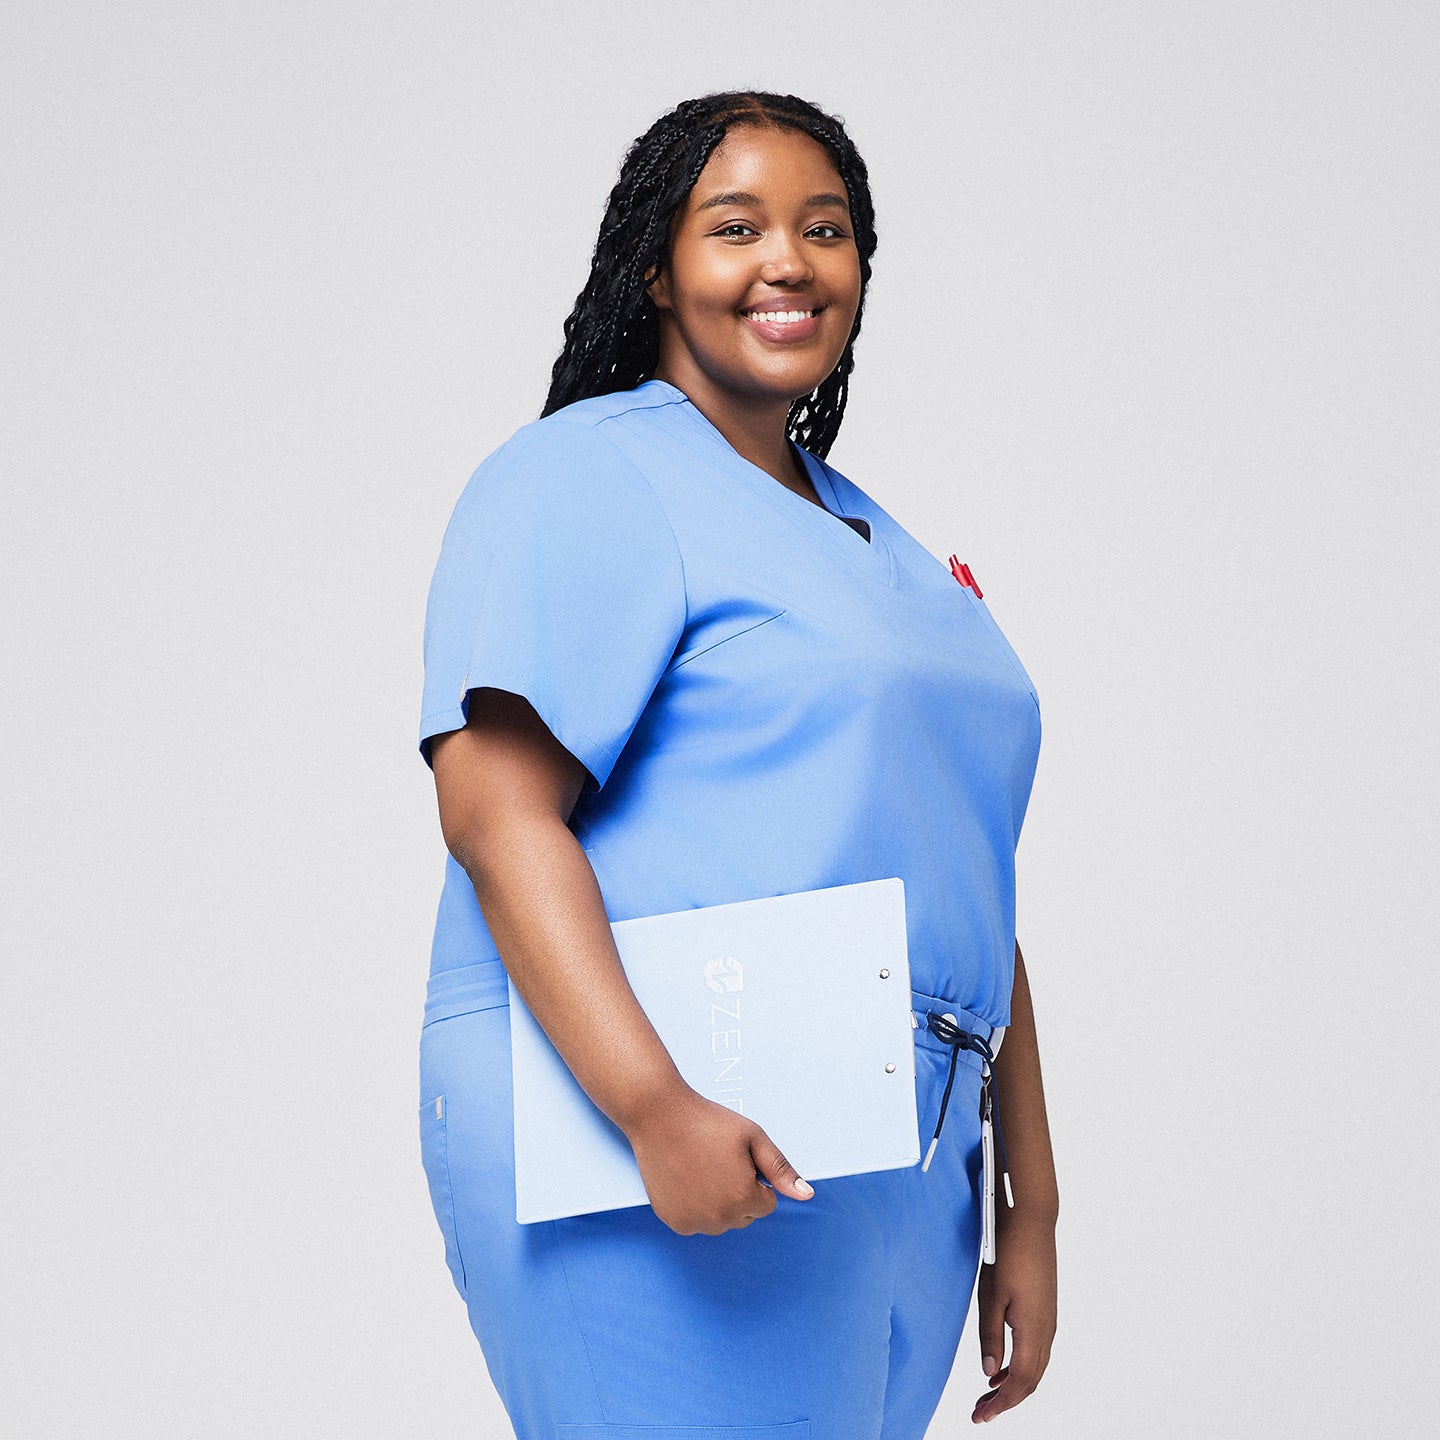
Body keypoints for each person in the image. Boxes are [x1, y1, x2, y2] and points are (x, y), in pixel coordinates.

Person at [416, 90, 1059, 1438]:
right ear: (656, 264)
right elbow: (495, 811)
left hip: (896, 1167)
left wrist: (1031, 1201)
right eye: (736, 226)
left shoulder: (872, 538)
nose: (788, 260)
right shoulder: (585, 477)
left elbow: (968, 874)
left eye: (824, 229)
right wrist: (653, 1106)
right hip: (665, 1120)